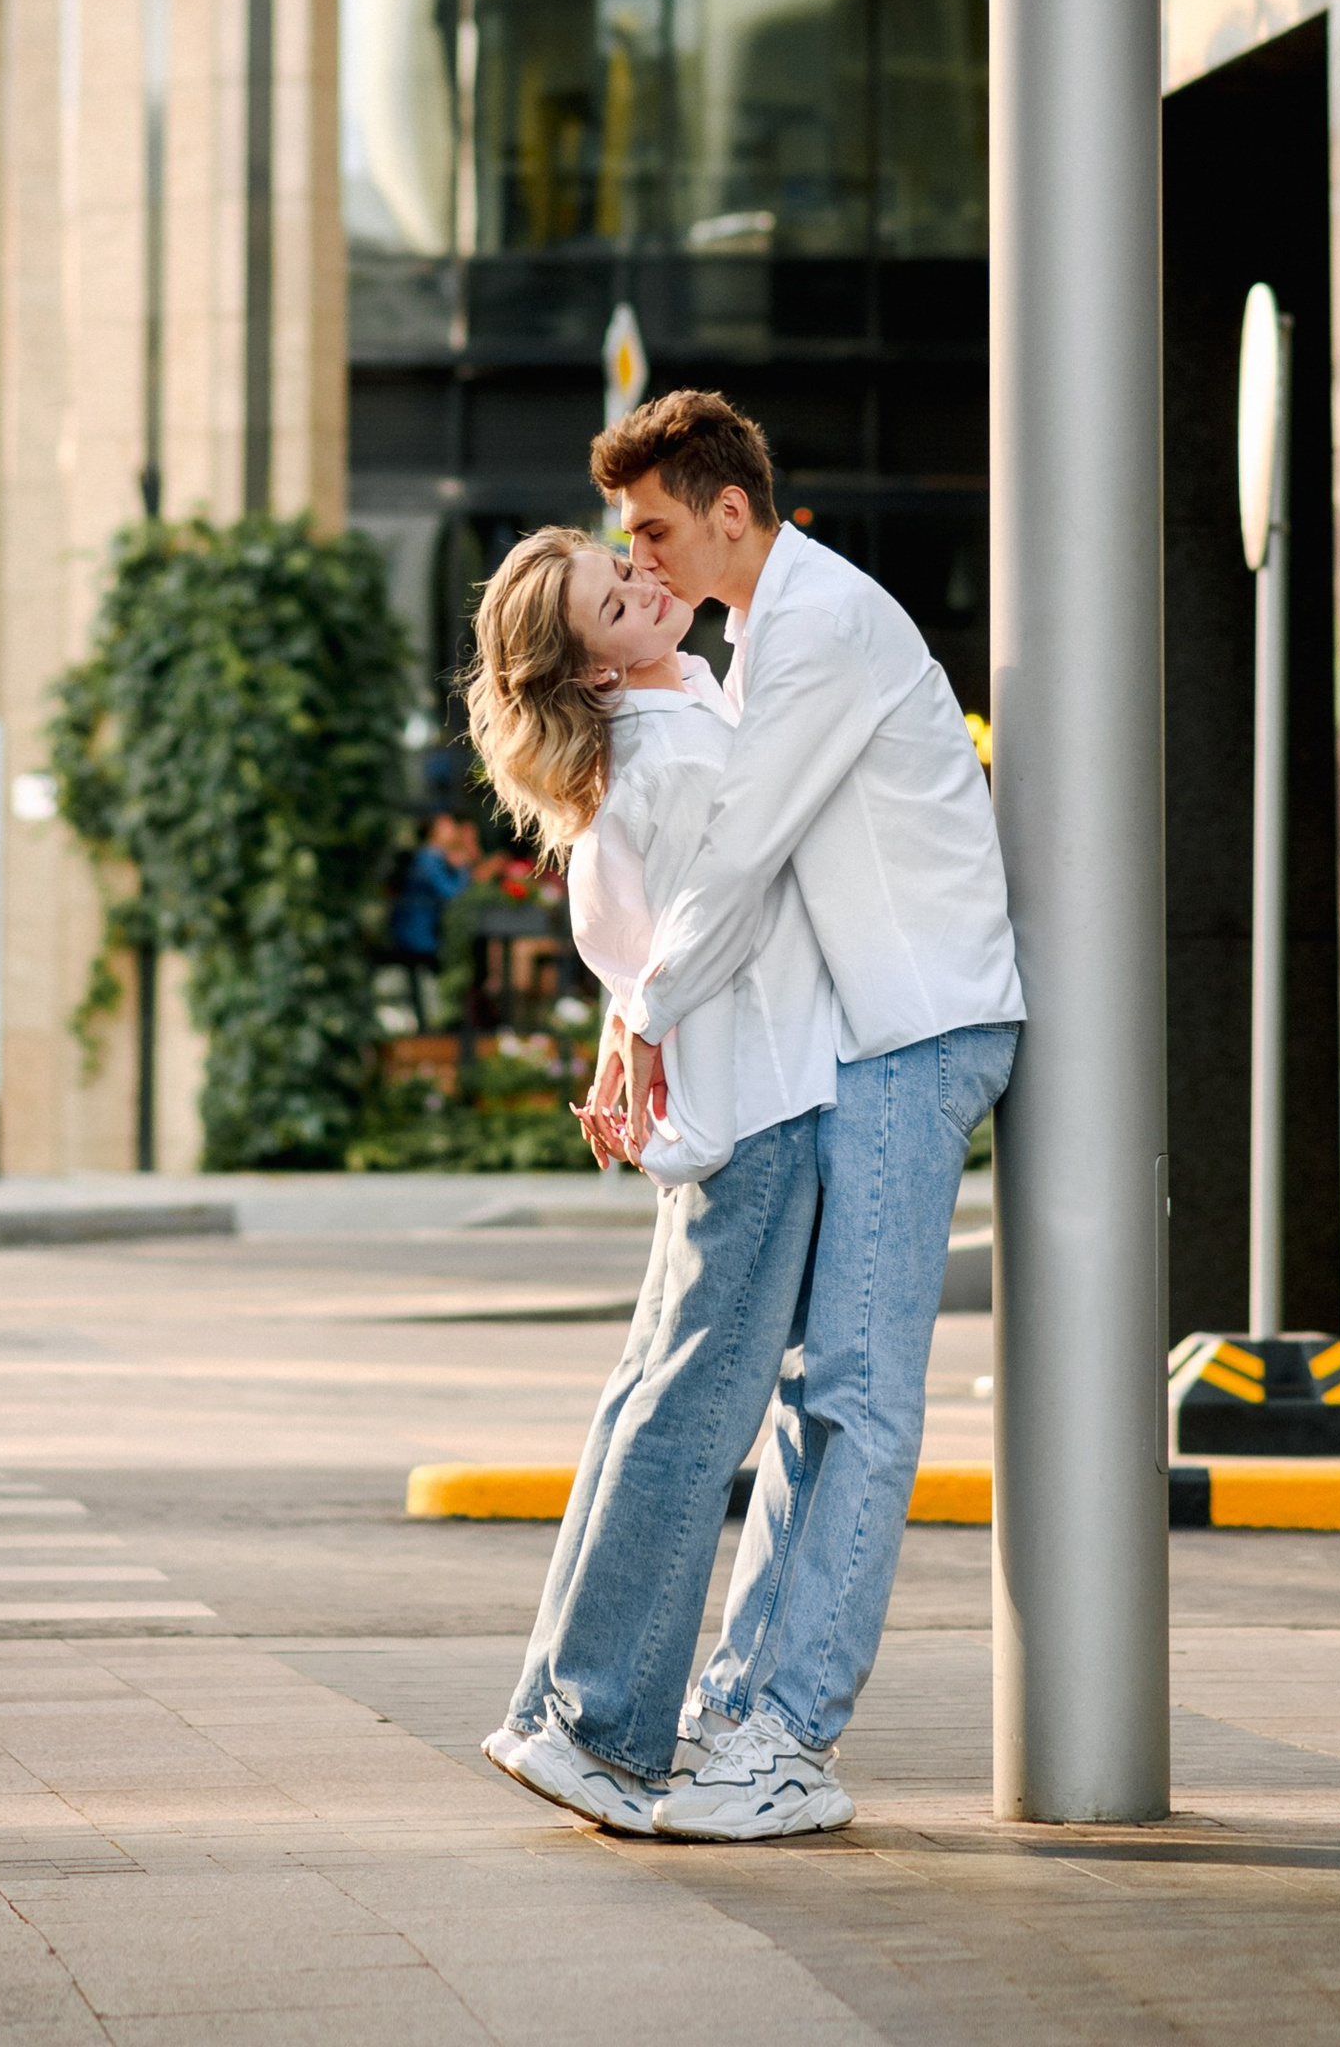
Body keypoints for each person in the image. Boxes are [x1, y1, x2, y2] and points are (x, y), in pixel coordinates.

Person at [588, 386, 1023, 1842]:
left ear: (728, 512)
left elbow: (745, 842)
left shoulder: (819, 624)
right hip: (864, 1041)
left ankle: (790, 1737)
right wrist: (630, 1012)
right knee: (812, 1395)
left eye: (651, 530)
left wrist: (641, 1022)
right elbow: (704, 855)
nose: (640, 561)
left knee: (856, 1394)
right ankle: (739, 1709)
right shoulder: (753, 637)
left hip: (916, 1031)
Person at [463, 521, 846, 1839]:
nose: (643, 590)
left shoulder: (672, 718)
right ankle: (598, 1728)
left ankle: (561, 1712)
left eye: (626, 572)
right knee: (690, 1424)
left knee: (657, 1402)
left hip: (728, 1106)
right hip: (758, 1109)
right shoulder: (671, 749)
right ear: (592, 670)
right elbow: (715, 919)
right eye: (612, 604)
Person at [383, 811, 478, 1031]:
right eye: (447, 825)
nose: (453, 828)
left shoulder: (435, 858)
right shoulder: (428, 858)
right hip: (418, 935)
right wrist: (463, 865)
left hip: (425, 934)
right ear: (434, 832)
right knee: (424, 991)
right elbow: (452, 894)